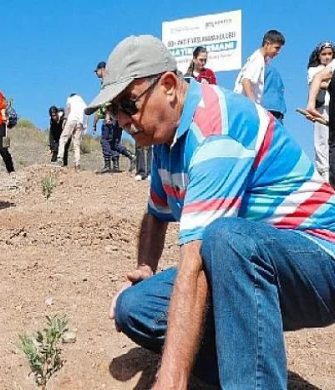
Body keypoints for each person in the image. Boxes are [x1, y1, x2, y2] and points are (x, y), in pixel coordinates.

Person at [85, 34, 335, 389]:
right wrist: (145, 267)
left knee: (225, 238)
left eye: (128, 103)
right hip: (251, 266)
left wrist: (171, 377)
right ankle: (251, 373)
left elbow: (197, 262)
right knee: (136, 307)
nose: (123, 119)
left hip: (319, 258)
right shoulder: (165, 142)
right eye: (114, 111)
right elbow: (156, 215)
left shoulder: (217, 127)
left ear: (169, 86)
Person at [307, 44, 335, 189]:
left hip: (331, 107)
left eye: (329, 54)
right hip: (320, 108)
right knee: (321, 140)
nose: (327, 57)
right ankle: (324, 174)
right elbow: (319, 83)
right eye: (323, 54)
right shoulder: (314, 70)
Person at [234, 30, 285, 104]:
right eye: (276, 48)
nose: (278, 52)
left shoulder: (258, 57)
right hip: (244, 104)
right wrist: (253, 104)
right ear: (267, 44)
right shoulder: (258, 59)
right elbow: (246, 81)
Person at [56, 93, 87, 171]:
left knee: (63, 139)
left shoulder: (70, 99)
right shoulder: (82, 102)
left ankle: (60, 158)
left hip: (71, 120)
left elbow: (68, 108)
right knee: (76, 144)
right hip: (80, 123)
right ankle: (77, 165)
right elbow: (87, 114)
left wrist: (65, 119)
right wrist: (85, 126)